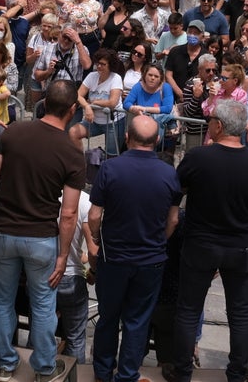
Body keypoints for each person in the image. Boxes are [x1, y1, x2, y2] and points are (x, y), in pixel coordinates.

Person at [0, 80, 85, 382]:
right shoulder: (71, 152)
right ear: (73, 110)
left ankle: (5, 363)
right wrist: (64, 255)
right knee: (43, 305)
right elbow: (68, 213)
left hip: (3, 231)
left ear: (44, 104)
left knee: (1, 300)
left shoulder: (13, 132)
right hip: (42, 238)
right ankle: (43, 367)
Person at [168, 100, 248, 382]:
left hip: (202, 243)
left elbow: (178, 190)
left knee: (189, 309)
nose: (209, 122)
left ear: (219, 126)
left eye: (211, 119)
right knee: (239, 313)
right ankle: (237, 373)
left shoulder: (199, 157)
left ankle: (182, 371)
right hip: (242, 245)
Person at [88, 115, 181, 382]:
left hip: (114, 256)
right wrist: (159, 241)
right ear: (158, 140)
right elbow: (173, 219)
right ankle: (127, 375)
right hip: (150, 258)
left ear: (127, 138)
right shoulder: (169, 173)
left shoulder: (110, 168)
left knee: (108, 317)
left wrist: (96, 238)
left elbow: (94, 216)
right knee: (137, 320)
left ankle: (103, 372)